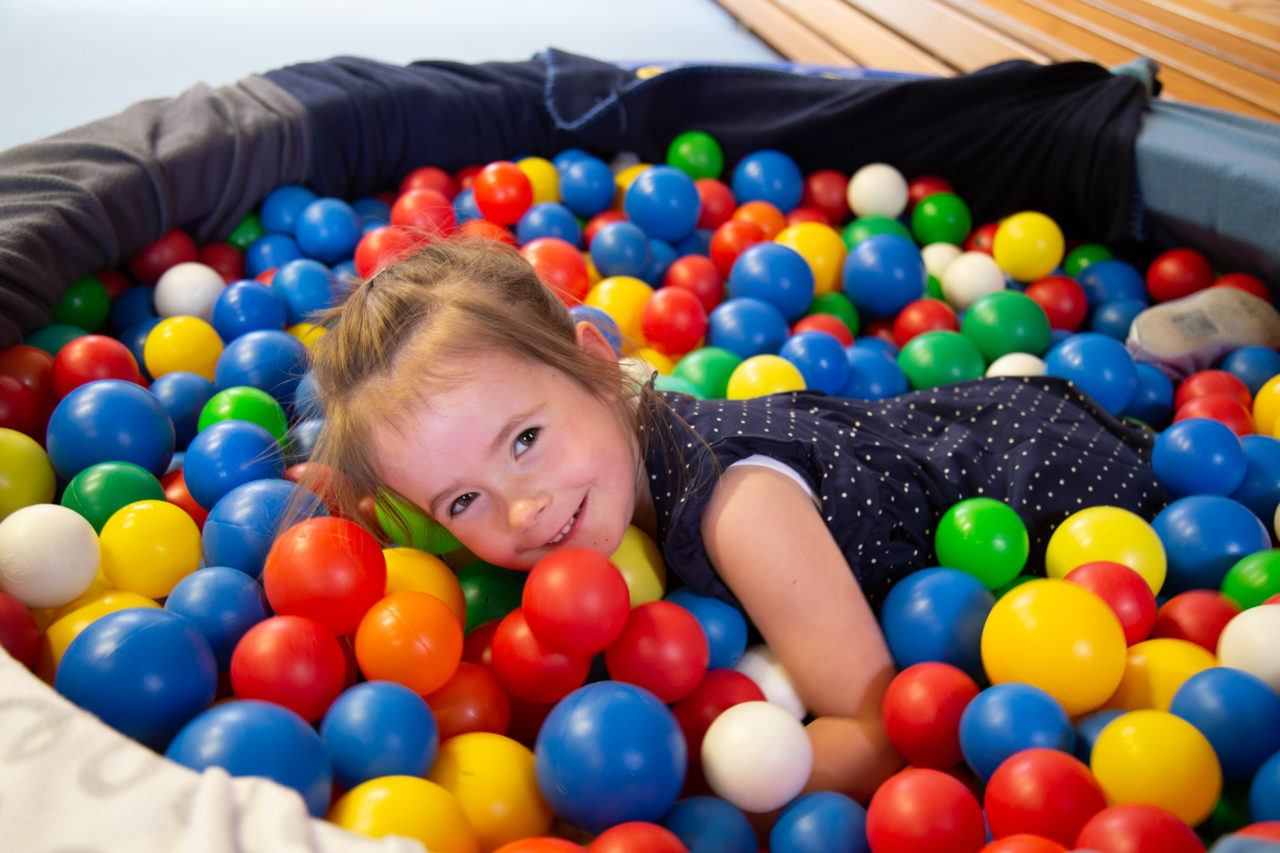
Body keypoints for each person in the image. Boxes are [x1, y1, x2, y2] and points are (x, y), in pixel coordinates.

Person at [306, 237, 1171, 804]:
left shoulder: (739, 510)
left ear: (598, 366)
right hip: (932, 423)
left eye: (525, 439)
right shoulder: (612, 439)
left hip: (1049, 484)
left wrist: (677, 783)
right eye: (462, 502)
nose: (520, 509)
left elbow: (880, 731)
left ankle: (1157, 360)